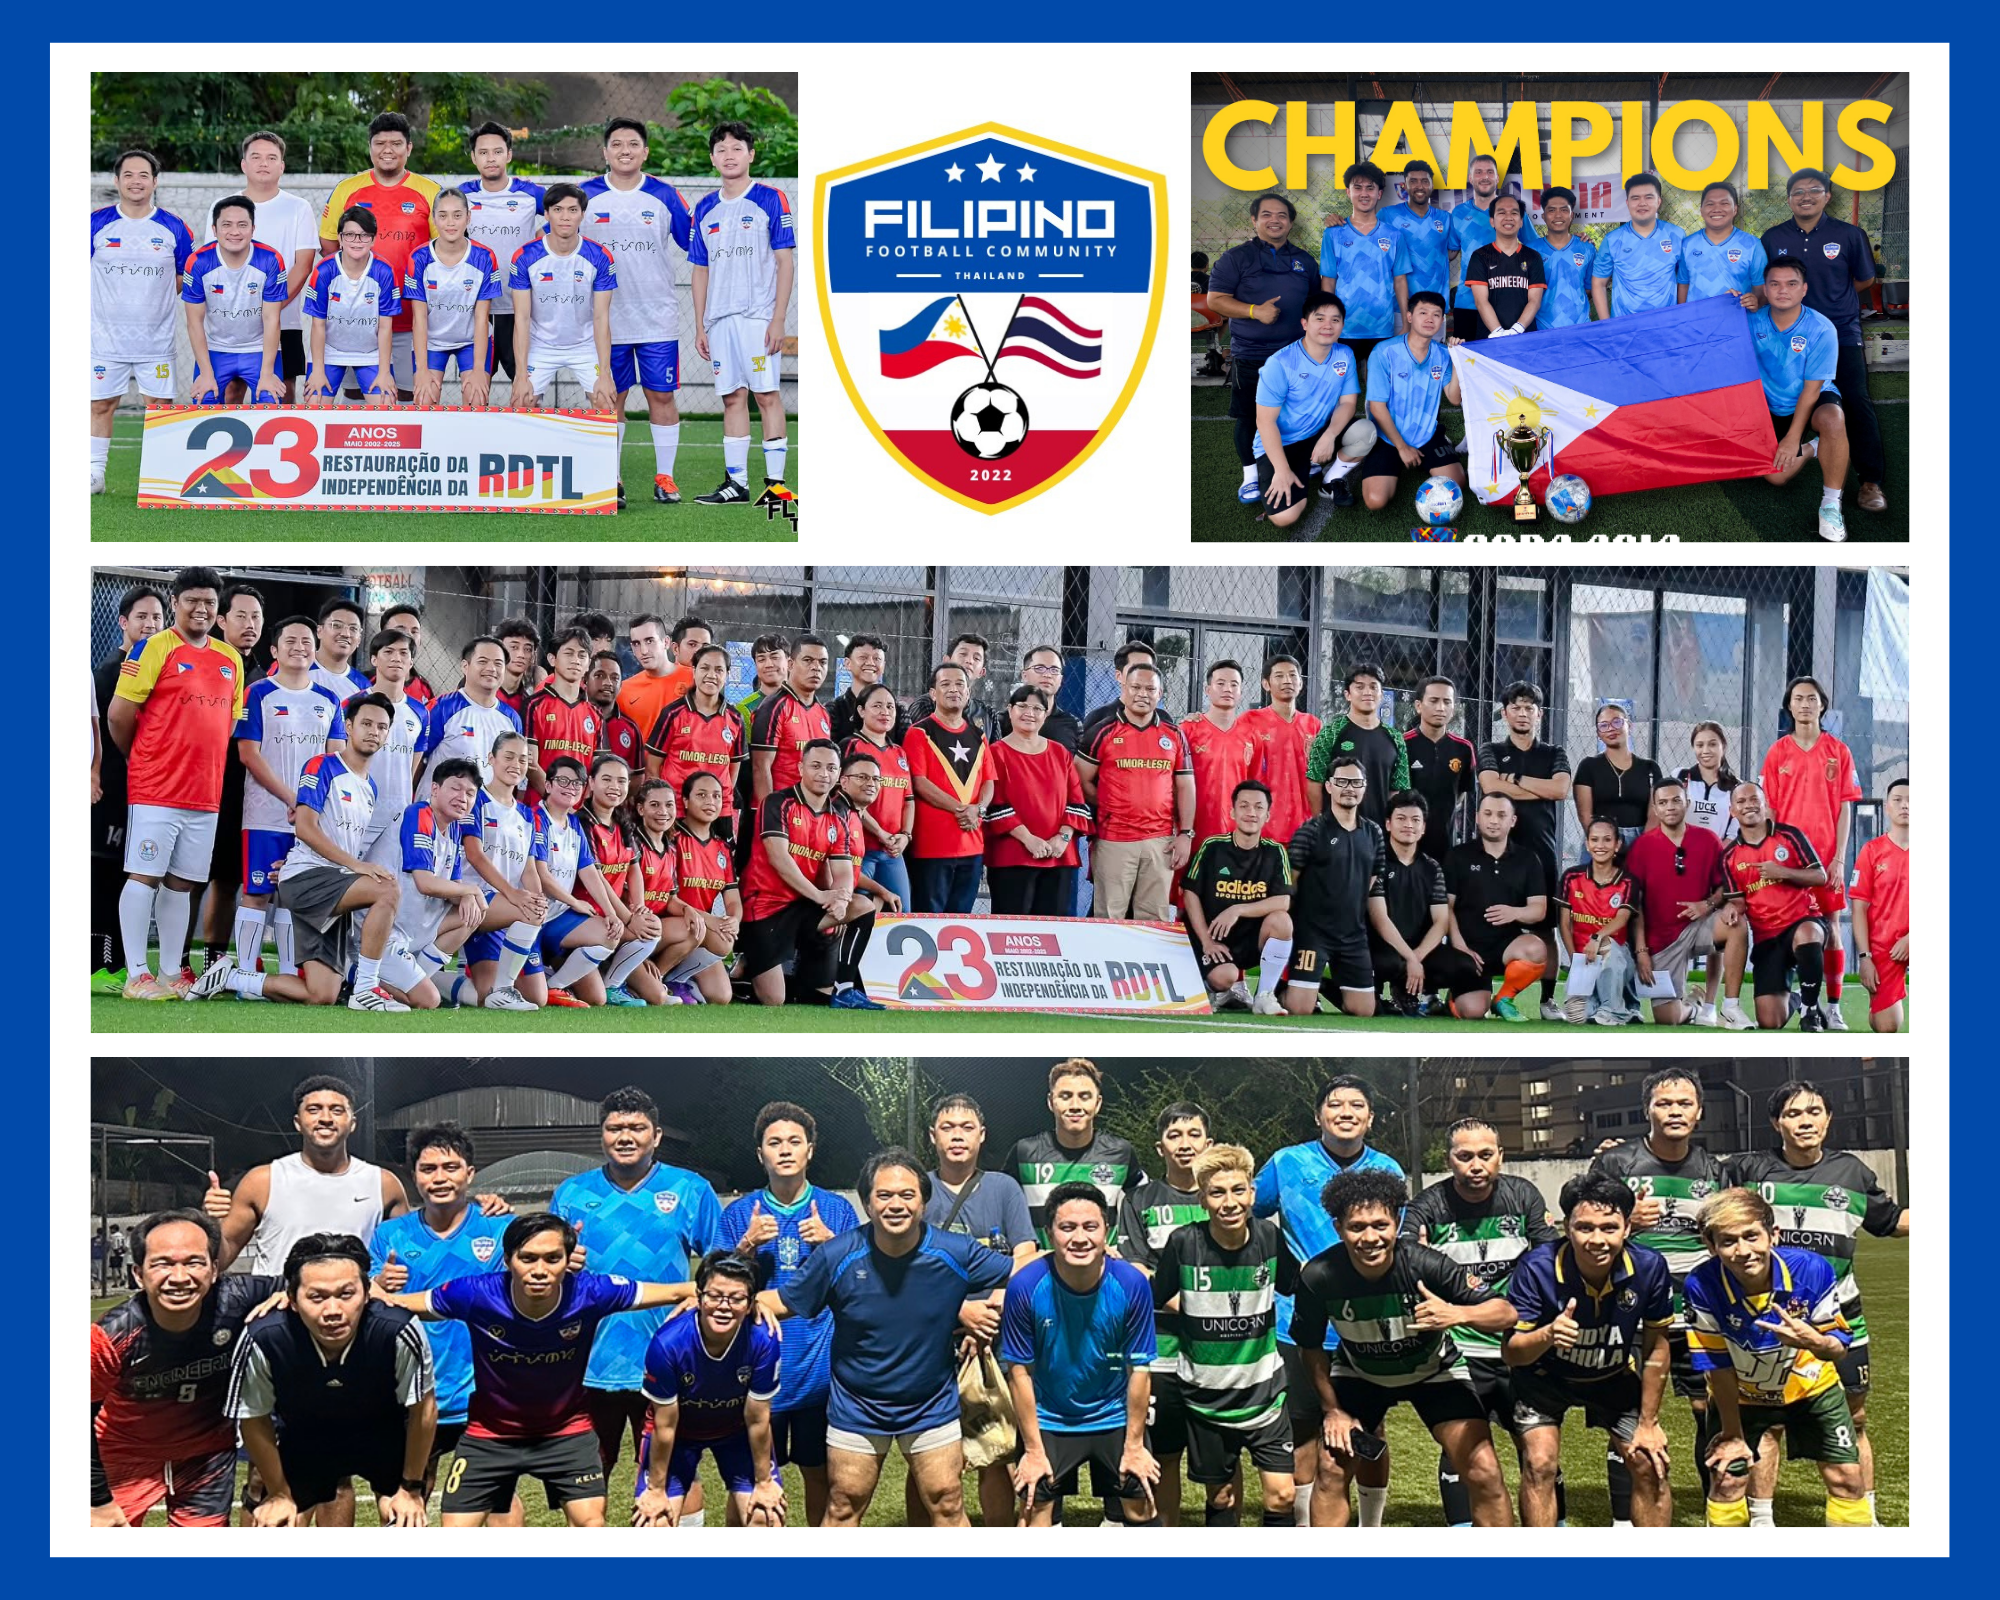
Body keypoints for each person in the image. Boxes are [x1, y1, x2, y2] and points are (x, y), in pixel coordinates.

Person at [372, 1211, 704, 1528]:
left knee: (592, 1525)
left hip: (566, 1433)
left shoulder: (591, 1291)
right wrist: (367, 1285)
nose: (540, 1269)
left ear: (568, 1261)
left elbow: (682, 1289)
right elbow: (398, 1304)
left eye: (552, 1258)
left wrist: (710, 1296)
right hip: (490, 1434)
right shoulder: (475, 1293)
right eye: (527, 1258)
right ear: (507, 1261)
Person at [758, 1148, 1013, 1527]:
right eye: (885, 1195)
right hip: (857, 1406)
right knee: (843, 1505)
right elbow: (782, 1300)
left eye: (908, 1195)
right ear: (867, 1203)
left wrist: (1089, 1261)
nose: (897, 1205)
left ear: (923, 1203)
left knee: (947, 1504)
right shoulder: (837, 1255)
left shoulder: (954, 1251)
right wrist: (722, 1301)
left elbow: (1023, 1273)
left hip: (931, 1404)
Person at [1295, 1168, 1517, 1527]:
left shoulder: (1426, 1264)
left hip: (1433, 1371)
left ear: (1397, 1222)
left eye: (1381, 1225)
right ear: (1338, 1228)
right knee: (1331, 1470)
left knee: (1484, 1470)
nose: (1371, 1238)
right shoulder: (1318, 1276)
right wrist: (1333, 1410)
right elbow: (1310, 1347)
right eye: (1357, 1227)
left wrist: (1457, 1313)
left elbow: (1506, 1312)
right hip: (1360, 1375)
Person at [1731, 1079, 1909, 1526]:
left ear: (1828, 1119)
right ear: (1776, 1123)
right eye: (1793, 1113)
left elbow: (1891, 1222)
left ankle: (1865, 1517)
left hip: (1840, 1318)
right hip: (1768, 1321)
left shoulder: (1851, 1172)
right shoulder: (1748, 1171)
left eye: (1813, 1112)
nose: (1805, 1121)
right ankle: (1761, 1521)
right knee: (1767, 1421)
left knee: (1857, 1416)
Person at [551, 1088, 724, 1488]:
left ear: (657, 1136)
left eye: (636, 1128)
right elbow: (542, 1272)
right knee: (587, 1479)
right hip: (592, 1363)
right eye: (615, 1128)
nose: (625, 1136)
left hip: (669, 1356)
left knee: (673, 1474)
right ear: (602, 1135)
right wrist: (563, 1266)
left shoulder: (690, 1190)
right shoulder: (572, 1194)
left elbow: (718, 1267)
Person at [1253, 1076, 1405, 1525]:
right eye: (1335, 1104)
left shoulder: (1388, 1169)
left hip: (1368, 1323)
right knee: (1303, 1429)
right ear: (1318, 1114)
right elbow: (1250, 1216)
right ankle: (1305, 1529)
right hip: (1298, 1322)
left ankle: (1370, 1527)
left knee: (1370, 1429)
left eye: (1357, 1105)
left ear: (1370, 1118)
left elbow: (1400, 1237)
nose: (1345, 1112)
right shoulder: (1287, 1162)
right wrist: (1281, 1269)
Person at [189, 695, 405, 1009]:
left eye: (382, 727)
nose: (374, 731)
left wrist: (349, 867)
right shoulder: (323, 765)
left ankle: (230, 978)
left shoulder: (370, 785)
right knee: (388, 889)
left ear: (387, 735)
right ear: (348, 727)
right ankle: (366, 989)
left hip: (333, 884)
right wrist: (353, 866)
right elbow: (305, 827)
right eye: (367, 724)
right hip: (310, 878)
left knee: (321, 994)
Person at [1587, 1068, 1733, 1520]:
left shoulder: (1714, 1170)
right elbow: (1583, 1229)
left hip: (1697, 1310)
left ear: (1699, 1112)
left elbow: (1727, 1235)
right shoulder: (1616, 1164)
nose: (1675, 1111)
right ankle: (1622, 1520)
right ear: (1646, 1109)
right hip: (1630, 1307)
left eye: (1684, 1104)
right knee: (1628, 1415)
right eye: (1665, 1103)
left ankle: (1719, 1509)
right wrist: (1630, 1223)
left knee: (1706, 1406)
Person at [1398, 1121, 1559, 1526]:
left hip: (1518, 1346)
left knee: (1540, 1453)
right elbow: (1405, 1265)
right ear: (1448, 1159)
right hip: (1459, 1351)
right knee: (1464, 1452)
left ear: (1500, 1156)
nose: (1475, 1165)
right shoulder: (1426, 1207)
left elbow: (1549, 1260)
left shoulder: (1522, 1195)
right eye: (1464, 1156)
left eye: (1485, 1155)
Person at [1684, 1190, 1869, 1528]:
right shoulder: (1701, 1285)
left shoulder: (1812, 1270)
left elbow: (1838, 1348)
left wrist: (1817, 1342)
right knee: (1727, 1481)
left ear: (1773, 1235)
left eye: (1751, 1236)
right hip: (1740, 1397)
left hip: (1813, 1391)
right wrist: (1732, 1434)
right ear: (1710, 1246)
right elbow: (1716, 1365)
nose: (1743, 1251)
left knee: (1847, 1479)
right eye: (1728, 1241)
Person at [226, 1233, 436, 1528]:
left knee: (405, 1521)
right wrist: (278, 1494)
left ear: (367, 1292)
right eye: (317, 1297)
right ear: (292, 1300)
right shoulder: (263, 1336)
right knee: (274, 1523)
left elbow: (423, 1409)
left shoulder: (397, 1329)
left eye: (346, 1294)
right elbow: (254, 1418)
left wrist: (412, 1489)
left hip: (382, 1434)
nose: (333, 1311)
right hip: (305, 1436)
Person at [1503, 1174, 1675, 1527]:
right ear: (1566, 1227)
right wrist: (1548, 1334)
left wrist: (1649, 1422)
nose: (1597, 1240)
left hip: (1611, 1376)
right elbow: (1513, 1353)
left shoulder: (1649, 1267)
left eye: (1609, 1228)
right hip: (1543, 1379)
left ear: (1627, 1228)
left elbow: (1657, 1347)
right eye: (1584, 1227)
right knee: (1539, 1464)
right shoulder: (1536, 1267)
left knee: (1649, 1460)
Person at [107, 569, 245, 1000]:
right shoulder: (154, 647)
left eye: (209, 602)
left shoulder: (230, 659)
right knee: (144, 876)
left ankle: (170, 972)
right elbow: (118, 715)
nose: (201, 609)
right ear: (175, 601)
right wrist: (144, 758)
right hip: (156, 789)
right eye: (192, 601)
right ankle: (136, 975)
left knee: (182, 883)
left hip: (204, 794)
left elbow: (226, 726)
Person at [721, 1103, 862, 1525]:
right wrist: (745, 1246)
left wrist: (831, 1243)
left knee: (820, 1476)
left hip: (818, 1372)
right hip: (757, 1368)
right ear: (760, 1153)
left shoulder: (835, 1211)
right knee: (748, 1480)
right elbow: (716, 1289)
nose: (785, 1150)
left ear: (810, 1151)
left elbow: (862, 1279)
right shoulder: (739, 1213)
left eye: (794, 1142)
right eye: (774, 1143)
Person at [91, 1210, 279, 1527]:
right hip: (122, 1456)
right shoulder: (112, 1336)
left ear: (215, 1269)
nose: (180, 1277)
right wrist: (95, 1500)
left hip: (205, 1459)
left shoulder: (238, 1298)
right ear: (138, 1274)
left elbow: (314, 1281)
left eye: (194, 1262)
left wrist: (377, 1289)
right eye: (163, 1263)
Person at [367, 1125, 514, 1520]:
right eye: (428, 1168)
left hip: (481, 1388)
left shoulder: (501, 1229)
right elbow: (366, 1297)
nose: (439, 1177)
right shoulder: (389, 1234)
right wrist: (377, 1284)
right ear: (413, 1175)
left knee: (500, 1498)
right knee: (404, 1498)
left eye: (451, 1167)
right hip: (410, 1388)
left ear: (470, 1173)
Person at [1150, 1145, 1296, 1527]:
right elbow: (1157, 1293)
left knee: (1282, 1495)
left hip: (1264, 1391)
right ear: (1202, 1199)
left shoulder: (1269, 1237)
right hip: (1205, 1398)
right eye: (1217, 1193)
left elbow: (1296, 1284)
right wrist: (1200, 1308)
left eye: (1237, 1190)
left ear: (1251, 1194)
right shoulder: (1184, 1242)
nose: (1229, 1202)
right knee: (1221, 1495)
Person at [1002, 1183, 1162, 1527]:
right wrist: (1032, 1450)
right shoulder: (1025, 1287)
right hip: (1049, 1418)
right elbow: (1019, 1373)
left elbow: (1139, 1370)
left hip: (1114, 1414)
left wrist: (1134, 1446)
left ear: (1107, 1231)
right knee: (1033, 1515)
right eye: (1067, 1227)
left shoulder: (1131, 1284)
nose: (1079, 1238)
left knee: (1142, 1507)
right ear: (1049, 1233)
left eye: (1090, 1227)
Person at [924, 1090, 1040, 1528]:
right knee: (934, 1455)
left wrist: (992, 1304)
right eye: (948, 1128)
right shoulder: (919, 1189)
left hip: (997, 1337)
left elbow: (1026, 1258)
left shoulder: (1004, 1187)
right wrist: (960, 1311)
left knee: (997, 1451)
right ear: (933, 1135)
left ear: (981, 1135)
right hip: (935, 1340)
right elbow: (908, 1266)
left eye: (967, 1128)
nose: (957, 1136)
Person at [581, 117, 697, 506]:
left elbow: (696, 245)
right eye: (616, 144)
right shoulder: (585, 196)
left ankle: (664, 478)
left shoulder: (665, 195)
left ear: (645, 151)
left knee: (660, 396)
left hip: (655, 318)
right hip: (604, 322)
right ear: (605, 152)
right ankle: (610, 480)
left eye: (633, 144)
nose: (625, 150)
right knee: (610, 398)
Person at [1761, 167, 1887, 514]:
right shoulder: (1772, 237)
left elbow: (1863, 280)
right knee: (1785, 396)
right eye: (1797, 191)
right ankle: (1808, 444)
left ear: (1827, 196)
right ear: (1788, 199)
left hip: (1839, 332)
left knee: (1856, 401)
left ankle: (1870, 481)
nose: (1805, 196)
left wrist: (1831, 307)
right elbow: (1770, 282)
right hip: (1788, 335)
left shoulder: (1849, 234)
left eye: (1813, 190)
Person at [1114, 1103, 1214, 1524]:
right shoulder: (1139, 1200)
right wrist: (1199, 1308)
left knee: (1220, 1467)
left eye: (1194, 1134)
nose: (1185, 1144)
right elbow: (1138, 1272)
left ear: (1209, 1143)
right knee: (1165, 1458)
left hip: (1219, 1354)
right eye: (1175, 1136)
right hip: (1163, 1350)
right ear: (1160, 1147)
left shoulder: (1226, 1196)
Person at [635, 1252, 788, 1527]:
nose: (724, 1306)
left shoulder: (764, 1339)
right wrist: (656, 1491)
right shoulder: (667, 1343)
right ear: (699, 1296)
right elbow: (664, 1426)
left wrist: (765, 1482)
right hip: (679, 1435)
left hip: (735, 1432)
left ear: (752, 1302)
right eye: (714, 1295)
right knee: (653, 1523)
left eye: (737, 1298)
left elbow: (757, 1418)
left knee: (766, 1517)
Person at [232, 616, 348, 975]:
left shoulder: (329, 699)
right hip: (266, 815)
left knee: (291, 894)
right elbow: (248, 753)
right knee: (257, 892)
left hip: (310, 820)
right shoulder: (259, 693)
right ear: (274, 650)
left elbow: (336, 759)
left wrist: (310, 806)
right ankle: (246, 974)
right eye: (290, 641)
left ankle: (286, 973)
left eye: (306, 642)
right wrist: (290, 798)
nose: (299, 648)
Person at [689, 121, 796, 510]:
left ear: (751, 154)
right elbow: (699, 269)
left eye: (737, 148)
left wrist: (778, 318)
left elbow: (786, 262)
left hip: (758, 318)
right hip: (720, 321)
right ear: (713, 158)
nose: (729, 155)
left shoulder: (771, 199)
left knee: (766, 396)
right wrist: (701, 323)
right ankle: (736, 483)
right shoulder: (704, 208)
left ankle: (776, 487)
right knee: (732, 398)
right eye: (721, 149)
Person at [90, 149, 195, 494]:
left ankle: (159, 479)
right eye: (129, 175)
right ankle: (94, 475)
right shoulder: (95, 223)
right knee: (101, 404)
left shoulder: (174, 227)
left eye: (144, 175)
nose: (136, 181)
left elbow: (183, 277)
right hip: (105, 339)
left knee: (159, 407)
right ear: (117, 181)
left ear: (155, 181)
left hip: (156, 341)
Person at [318, 112, 442, 400]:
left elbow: (443, 251)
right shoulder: (347, 189)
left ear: (409, 148)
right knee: (356, 394)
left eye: (396, 143)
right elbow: (328, 244)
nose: (388, 150)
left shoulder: (429, 191)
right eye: (380, 143)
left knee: (408, 395)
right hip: (355, 319)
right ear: (370, 147)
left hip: (411, 319)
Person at [1207, 193, 1320, 505]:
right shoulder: (1236, 258)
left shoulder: (1304, 260)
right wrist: (1254, 311)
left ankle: (1302, 459)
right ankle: (1251, 477)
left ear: (1291, 222)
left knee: (1298, 411)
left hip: (1297, 354)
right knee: (1250, 417)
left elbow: (1313, 304)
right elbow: (1215, 300)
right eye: (1267, 214)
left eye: (1282, 215)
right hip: (1252, 354)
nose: (1275, 220)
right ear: (1254, 220)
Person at [1625, 777, 1753, 1029]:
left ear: (1687, 803)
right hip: (1661, 940)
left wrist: (1709, 904)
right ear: (1655, 808)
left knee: (1736, 924)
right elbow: (1634, 906)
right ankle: (1693, 1006)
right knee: (1668, 1019)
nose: (1670, 807)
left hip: (1699, 927)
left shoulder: (1708, 840)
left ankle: (1730, 1007)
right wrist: (1641, 952)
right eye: (1662, 802)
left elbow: (1725, 886)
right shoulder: (1642, 847)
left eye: (1675, 800)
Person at [1477, 681, 1570, 1019]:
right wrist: (1535, 788)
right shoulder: (1489, 748)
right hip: (1498, 853)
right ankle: (1485, 994)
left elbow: (1561, 790)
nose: (1522, 713)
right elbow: (1490, 788)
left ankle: (1547, 1001)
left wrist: (1514, 782)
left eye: (1529, 707)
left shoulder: (1553, 753)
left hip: (1542, 853)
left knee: (1546, 928)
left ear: (1539, 714)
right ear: (1505, 713)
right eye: (1516, 707)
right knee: (1488, 921)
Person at [205, 131, 318, 401]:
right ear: (244, 164)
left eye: (271, 158)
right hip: (231, 324)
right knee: (231, 391)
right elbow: (213, 265)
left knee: (282, 392)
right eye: (256, 157)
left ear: (282, 166)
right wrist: (243, 311)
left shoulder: (298, 208)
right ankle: (233, 444)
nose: (263, 163)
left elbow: (302, 266)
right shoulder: (222, 207)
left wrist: (270, 309)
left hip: (284, 320)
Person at [739, 738, 853, 1005]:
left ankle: (846, 987)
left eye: (831, 768)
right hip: (764, 906)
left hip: (803, 906)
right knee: (774, 1000)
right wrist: (821, 896)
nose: (823, 774)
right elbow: (779, 859)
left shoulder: (838, 817)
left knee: (860, 907)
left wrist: (841, 898)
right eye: (816, 766)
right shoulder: (777, 802)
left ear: (838, 774)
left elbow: (844, 871)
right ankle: (745, 969)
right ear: (800, 767)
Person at [1077, 662, 1193, 922]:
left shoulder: (1174, 735)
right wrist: (1108, 803)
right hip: (1113, 840)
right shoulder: (1101, 732)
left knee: (1154, 920)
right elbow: (1079, 780)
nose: (1143, 694)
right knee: (1109, 918)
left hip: (1160, 841)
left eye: (1150, 689)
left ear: (1160, 693)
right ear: (1124, 689)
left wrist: (1185, 833)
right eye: (1136, 687)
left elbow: (1186, 786)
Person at [92, 586, 166, 981]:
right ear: (123, 622)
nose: (150, 624)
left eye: (157, 617)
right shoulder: (111, 673)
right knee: (103, 872)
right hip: (113, 791)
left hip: (149, 793)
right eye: (142, 617)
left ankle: (120, 963)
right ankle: (99, 962)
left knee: (132, 873)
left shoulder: (160, 668)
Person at [1748, 259, 1850, 540]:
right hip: (1770, 405)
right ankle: (1814, 448)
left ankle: (1831, 504)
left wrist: (1792, 437)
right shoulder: (1750, 322)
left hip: (1812, 399)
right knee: (1776, 477)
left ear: (1804, 289)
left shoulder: (1822, 328)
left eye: (1791, 284)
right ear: (1764, 290)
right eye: (1774, 284)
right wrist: (1728, 303)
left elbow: (1812, 390)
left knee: (1832, 419)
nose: (1783, 290)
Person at [450, 730, 549, 1011]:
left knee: (530, 997)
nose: (515, 765)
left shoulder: (526, 814)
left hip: (506, 906)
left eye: (522, 760)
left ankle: (436, 981)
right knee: (527, 909)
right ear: (491, 759)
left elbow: (529, 868)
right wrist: (516, 896)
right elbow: (475, 855)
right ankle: (504, 990)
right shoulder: (476, 799)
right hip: (473, 898)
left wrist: (536, 898)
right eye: (508, 757)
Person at [1720, 781, 1831, 1031]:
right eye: (1741, 802)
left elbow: (1820, 876)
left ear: (1764, 804)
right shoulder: (1729, 857)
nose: (1748, 805)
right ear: (1732, 811)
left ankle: (1810, 1012)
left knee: (1808, 934)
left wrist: (1783, 872)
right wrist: (1730, 907)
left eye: (1753, 799)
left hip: (1802, 921)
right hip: (1767, 938)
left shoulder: (1789, 835)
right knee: (1770, 1022)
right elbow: (1737, 900)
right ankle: (1800, 997)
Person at [1279, 756, 1384, 1017]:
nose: (1349, 787)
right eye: (1341, 781)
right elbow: (1290, 881)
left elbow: (1371, 879)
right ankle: (1276, 989)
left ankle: (1322, 986)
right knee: (1299, 1009)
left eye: (1355, 782)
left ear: (1364, 787)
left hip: (1354, 936)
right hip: (1313, 934)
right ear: (1328, 786)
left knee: (1364, 1011)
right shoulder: (1311, 830)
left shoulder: (1374, 833)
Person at [1183, 779, 1294, 1014]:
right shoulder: (1212, 847)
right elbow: (1190, 893)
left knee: (1282, 921)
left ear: (1268, 815)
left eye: (1258, 807)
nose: (1251, 813)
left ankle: (1264, 995)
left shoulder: (1275, 852)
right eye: (1244, 806)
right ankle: (1207, 988)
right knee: (1226, 977)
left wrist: (1237, 909)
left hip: (1249, 939)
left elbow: (1283, 901)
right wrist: (1206, 941)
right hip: (1213, 940)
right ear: (1232, 812)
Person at [508, 182, 618, 416]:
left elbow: (601, 318)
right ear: (546, 214)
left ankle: (608, 455)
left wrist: (605, 373)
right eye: (557, 210)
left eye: (572, 210)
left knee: (606, 402)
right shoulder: (525, 257)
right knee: (521, 401)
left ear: (582, 215)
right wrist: (520, 375)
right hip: (541, 344)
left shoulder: (600, 257)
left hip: (585, 344)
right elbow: (522, 318)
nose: (565, 217)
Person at [1368, 789, 1479, 1016]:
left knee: (1466, 966)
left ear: (1423, 828)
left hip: (1420, 948)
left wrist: (1416, 957)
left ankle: (1409, 989)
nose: (1409, 825)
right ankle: (1379, 993)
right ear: (1388, 824)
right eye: (1401, 818)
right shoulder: (1377, 863)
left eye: (1415, 820)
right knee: (1390, 964)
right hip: (1384, 947)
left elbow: (1441, 921)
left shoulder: (1432, 867)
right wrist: (1409, 958)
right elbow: (1379, 919)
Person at [1443, 793, 1552, 1022]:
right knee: (1473, 1012)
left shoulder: (1527, 859)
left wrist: (1515, 912)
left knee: (1537, 949)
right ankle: (1455, 997)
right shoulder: (1458, 856)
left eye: (1502, 815)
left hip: (1505, 946)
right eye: (1488, 814)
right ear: (1478, 818)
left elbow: (1538, 909)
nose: (1494, 820)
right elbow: (1446, 908)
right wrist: (1460, 946)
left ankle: (1503, 998)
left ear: (1512, 821)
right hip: (1469, 948)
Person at [1355, 292, 1465, 511]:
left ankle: (1430, 449)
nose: (1430, 319)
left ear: (1442, 320)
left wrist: (1458, 361)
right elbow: (1377, 407)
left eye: (1436, 314)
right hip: (1387, 436)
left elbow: (1454, 398)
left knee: (1457, 484)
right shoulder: (1384, 352)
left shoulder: (1443, 354)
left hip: (1426, 433)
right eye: (1423, 312)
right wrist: (1402, 447)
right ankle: (1393, 458)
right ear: (1409, 316)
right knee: (1376, 501)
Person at [903, 662, 996, 914]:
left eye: (960, 685)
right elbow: (920, 783)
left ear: (968, 693)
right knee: (929, 918)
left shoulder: (979, 735)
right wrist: (963, 810)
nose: (953, 690)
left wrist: (979, 808)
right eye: (945, 684)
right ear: (933, 693)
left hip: (973, 846)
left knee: (961, 920)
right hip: (932, 847)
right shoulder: (918, 732)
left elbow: (989, 781)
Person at [985, 684, 1087, 914]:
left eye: (1037, 708)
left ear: (1046, 714)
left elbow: (1077, 801)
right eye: (1022, 706)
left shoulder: (1060, 752)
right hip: (1012, 856)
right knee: (1012, 932)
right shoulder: (995, 753)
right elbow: (994, 803)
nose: (1029, 713)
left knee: (1052, 934)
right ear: (1010, 710)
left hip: (1059, 855)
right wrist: (1028, 839)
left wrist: (1063, 838)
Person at [459, 122, 546, 392]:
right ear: (474, 157)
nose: (490, 158)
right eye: (483, 152)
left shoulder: (529, 193)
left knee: (526, 390)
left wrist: (542, 238)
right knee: (474, 390)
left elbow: (568, 210)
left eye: (497, 151)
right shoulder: (462, 194)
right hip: (474, 307)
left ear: (508, 155)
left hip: (516, 307)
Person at [180, 195, 285, 403]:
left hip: (258, 349)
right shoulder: (198, 262)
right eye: (226, 225)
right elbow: (194, 322)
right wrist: (206, 373)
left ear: (253, 229)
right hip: (215, 349)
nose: (235, 232)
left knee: (269, 400)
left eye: (242, 225)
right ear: (214, 229)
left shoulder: (271, 259)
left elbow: (272, 319)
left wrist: (266, 374)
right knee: (204, 400)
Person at [1317, 162, 1412, 391]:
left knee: (1378, 388)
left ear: (1379, 194)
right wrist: (1327, 320)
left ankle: (1376, 426)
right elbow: (1328, 281)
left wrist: (1407, 321)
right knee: (1339, 387)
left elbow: (1399, 280)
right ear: (1348, 192)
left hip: (1382, 324)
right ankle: (1337, 427)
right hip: (1345, 325)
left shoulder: (1393, 235)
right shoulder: (1333, 234)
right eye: (1357, 187)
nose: (1364, 193)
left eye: (1370, 188)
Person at [405, 188, 500, 408]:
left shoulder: (484, 257)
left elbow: (481, 316)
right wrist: (421, 370)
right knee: (424, 398)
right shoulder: (419, 258)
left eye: (457, 215)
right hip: (432, 341)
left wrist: (478, 369)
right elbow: (419, 318)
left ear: (468, 217)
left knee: (476, 398)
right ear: (434, 218)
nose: (450, 222)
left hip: (471, 341)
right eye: (443, 215)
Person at [301, 207, 399, 405]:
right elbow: (318, 325)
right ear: (340, 237)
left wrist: (384, 372)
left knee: (386, 405)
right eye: (350, 235)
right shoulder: (325, 270)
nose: (357, 241)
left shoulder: (384, 271)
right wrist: (318, 371)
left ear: (373, 239)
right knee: (314, 403)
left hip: (370, 353)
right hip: (330, 350)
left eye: (364, 236)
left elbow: (385, 326)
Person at [647, 642, 745, 833]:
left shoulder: (735, 718)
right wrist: (665, 804)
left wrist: (720, 800)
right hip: (678, 809)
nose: (711, 675)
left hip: (718, 811)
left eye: (719, 670)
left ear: (727, 674)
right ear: (694, 671)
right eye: (705, 668)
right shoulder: (673, 713)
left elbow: (733, 769)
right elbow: (652, 766)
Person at [1444, 153, 1540, 343]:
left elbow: (1537, 248)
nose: (1484, 176)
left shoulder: (1513, 212)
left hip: (1507, 301)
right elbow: (1451, 252)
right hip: (1468, 302)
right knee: (1470, 364)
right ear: (1471, 179)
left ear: (1497, 178)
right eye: (1478, 172)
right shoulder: (1459, 213)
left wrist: (1570, 238)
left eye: (1490, 172)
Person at [666, 770, 744, 1004]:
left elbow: (732, 899)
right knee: (719, 940)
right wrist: (713, 922)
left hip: (703, 928)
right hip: (675, 922)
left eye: (716, 796)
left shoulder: (722, 847)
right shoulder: (672, 838)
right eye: (702, 795)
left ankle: (678, 978)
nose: (710, 801)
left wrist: (733, 921)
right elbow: (668, 899)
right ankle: (658, 977)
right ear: (686, 801)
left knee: (721, 996)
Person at [1558, 818, 1642, 1026]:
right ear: (1587, 844)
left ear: (1617, 845)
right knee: (1578, 1016)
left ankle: (1614, 1011)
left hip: (1617, 959)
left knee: (1607, 946)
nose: (1600, 846)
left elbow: (1622, 918)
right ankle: (1620, 1008)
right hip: (1584, 962)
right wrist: (1575, 961)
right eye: (1594, 840)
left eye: (1607, 840)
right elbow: (1564, 925)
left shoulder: (1628, 881)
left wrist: (1597, 937)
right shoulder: (1571, 877)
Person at [418, 637, 522, 797]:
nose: (491, 668)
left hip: (486, 816)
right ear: (465, 666)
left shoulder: (512, 718)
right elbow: (416, 759)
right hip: (440, 814)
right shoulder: (442, 708)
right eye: (483, 661)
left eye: (498, 663)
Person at [1306, 662, 1407, 825]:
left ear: (1381, 694)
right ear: (1347, 694)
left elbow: (1397, 790)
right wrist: (1321, 825)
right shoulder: (1330, 733)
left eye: (1374, 687)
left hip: (1379, 833)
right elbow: (1314, 782)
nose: (1367, 692)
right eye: (1359, 687)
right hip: (1336, 831)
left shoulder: (1396, 738)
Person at [842, 684, 915, 908]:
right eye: (878, 705)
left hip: (893, 851)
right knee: (859, 912)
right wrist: (880, 833)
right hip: (860, 849)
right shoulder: (851, 746)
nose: (885, 711)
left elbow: (908, 800)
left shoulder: (899, 752)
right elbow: (847, 802)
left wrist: (905, 836)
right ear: (862, 711)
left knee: (902, 911)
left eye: (890, 706)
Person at [1239, 654, 1319, 845]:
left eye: (1292, 675)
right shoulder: (1250, 720)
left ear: (1300, 683)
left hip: (1305, 828)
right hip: (1263, 827)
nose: (1287, 681)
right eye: (1279, 676)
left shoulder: (1313, 725)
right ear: (1266, 684)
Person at [1850, 777, 1910, 1032]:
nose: (1905, 805)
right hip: (1886, 947)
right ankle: (1881, 1004)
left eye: (1912, 801)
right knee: (1887, 1027)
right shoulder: (1871, 851)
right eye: (1898, 800)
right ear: (1887, 806)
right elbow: (1859, 908)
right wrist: (1865, 958)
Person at [1182, 661, 1262, 843]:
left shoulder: (1252, 735)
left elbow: (1254, 786)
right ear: (1207, 689)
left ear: (1241, 691)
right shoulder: (1187, 730)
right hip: (1192, 832)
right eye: (1220, 683)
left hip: (1235, 834)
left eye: (1234, 684)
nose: (1228, 689)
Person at [1401, 676, 1477, 865]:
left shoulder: (1464, 749)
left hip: (1446, 846)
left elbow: (1461, 794)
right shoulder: (1401, 744)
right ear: (1419, 706)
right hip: (1406, 845)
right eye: (1434, 701)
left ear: (1453, 708)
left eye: (1447, 702)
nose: (1441, 707)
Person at [750, 633, 832, 804]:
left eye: (822, 662)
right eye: (808, 660)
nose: (816, 667)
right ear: (790, 664)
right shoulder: (773, 707)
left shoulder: (823, 713)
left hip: (812, 815)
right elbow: (760, 768)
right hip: (782, 811)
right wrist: (770, 816)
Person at [1590, 173, 1687, 320]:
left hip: (1666, 324)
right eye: (1635, 198)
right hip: (1625, 328)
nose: (1642, 203)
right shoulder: (1612, 239)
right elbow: (1599, 283)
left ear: (1659, 201)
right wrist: (1606, 324)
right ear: (1627, 203)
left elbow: (1684, 279)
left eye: (1649, 197)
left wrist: (1680, 316)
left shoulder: (1677, 235)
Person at [522, 627, 600, 796]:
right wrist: (558, 800)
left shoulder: (596, 714)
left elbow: (598, 769)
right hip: (541, 806)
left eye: (581, 655)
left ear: (588, 664)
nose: (576, 660)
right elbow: (530, 765)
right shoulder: (534, 705)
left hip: (578, 813)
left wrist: (579, 806)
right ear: (552, 659)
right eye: (569, 653)